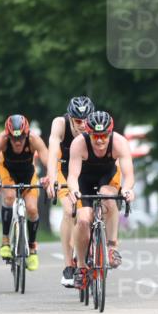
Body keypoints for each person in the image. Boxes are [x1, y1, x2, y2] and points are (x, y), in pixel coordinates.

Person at [67, 110, 135, 286]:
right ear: (88, 133)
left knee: (107, 196)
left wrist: (127, 190)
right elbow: (73, 176)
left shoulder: (119, 142)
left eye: (104, 136)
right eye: (95, 136)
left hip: (107, 178)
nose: (99, 140)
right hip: (84, 180)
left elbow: (128, 175)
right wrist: (74, 191)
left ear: (110, 133)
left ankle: (112, 247)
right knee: (83, 221)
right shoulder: (78, 143)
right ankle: (81, 266)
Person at [0, 114, 49, 271]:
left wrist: (50, 177)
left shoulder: (34, 139)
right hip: (8, 171)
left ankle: (32, 249)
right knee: (10, 196)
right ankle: (5, 240)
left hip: (28, 173)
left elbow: (48, 161)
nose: (18, 142)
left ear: (26, 134)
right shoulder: (2, 140)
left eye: (21, 138)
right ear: (8, 136)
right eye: (14, 139)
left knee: (32, 209)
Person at [44, 95, 95, 287]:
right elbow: (52, 153)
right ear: (70, 118)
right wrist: (52, 179)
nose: (83, 125)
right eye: (78, 121)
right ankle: (68, 265)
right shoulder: (60, 124)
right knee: (69, 210)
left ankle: (98, 246)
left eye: (86, 120)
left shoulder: (95, 126)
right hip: (64, 170)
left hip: (87, 170)